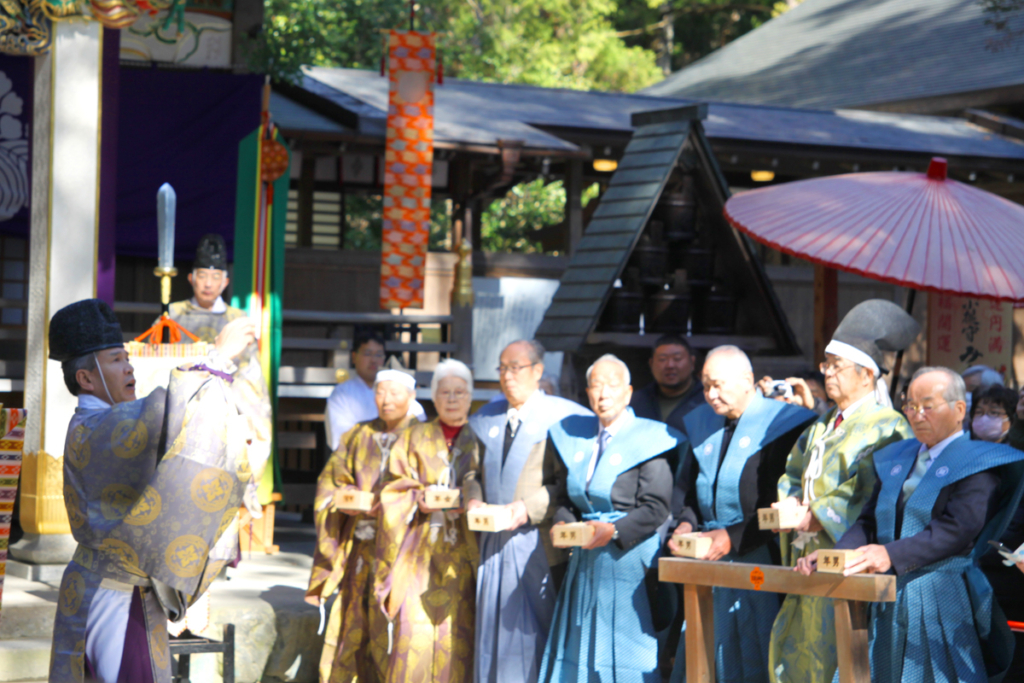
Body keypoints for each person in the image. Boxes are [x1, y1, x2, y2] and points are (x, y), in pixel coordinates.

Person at [47, 299, 264, 683]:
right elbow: (173, 410)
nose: (129, 367)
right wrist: (217, 359)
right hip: (114, 596)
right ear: (86, 378)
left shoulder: (94, 424)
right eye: (116, 360)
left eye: (127, 357)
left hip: (104, 587)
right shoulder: (105, 428)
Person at [799, 367, 1024, 683]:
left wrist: (888, 555)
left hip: (940, 591)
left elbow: (958, 528)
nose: (916, 415)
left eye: (927, 406)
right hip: (885, 590)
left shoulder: (980, 460)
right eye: (910, 406)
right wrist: (836, 555)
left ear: (959, 410)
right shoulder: (897, 455)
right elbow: (868, 519)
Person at [768, 299, 918, 683]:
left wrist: (818, 513)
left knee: (836, 649)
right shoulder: (820, 425)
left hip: (846, 551)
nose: (828, 373)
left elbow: (874, 489)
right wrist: (787, 502)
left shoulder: (888, 425)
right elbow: (793, 470)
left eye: (836, 366)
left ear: (866, 375)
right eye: (826, 365)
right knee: (798, 644)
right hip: (805, 548)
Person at [668, 346, 816, 683]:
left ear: (748, 381)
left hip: (759, 553)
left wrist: (731, 536)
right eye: (705, 386)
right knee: (702, 651)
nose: (711, 394)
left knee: (754, 649)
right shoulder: (703, 423)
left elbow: (779, 501)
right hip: (706, 557)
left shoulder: (785, 425)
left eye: (718, 384)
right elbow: (689, 491)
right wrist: (687, 524)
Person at [540, 354, 683, 682]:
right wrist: (562, 522)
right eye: (596, 386)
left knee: (626, 649)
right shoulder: (575, 437)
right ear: (587, 393)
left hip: (628, 559)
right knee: (580, 648)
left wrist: (613, 530)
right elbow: (565, 497)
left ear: (628, 393)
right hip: (585, 560)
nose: (603, 394)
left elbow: (656, 507)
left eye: (612, 386)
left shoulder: (652, 438)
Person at [465, 339, 592, 683]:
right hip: (492, 544)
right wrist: (473, 499)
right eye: (502, 368)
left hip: (539, 545)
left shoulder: (563, 418)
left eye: (516, 367)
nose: (507, 376)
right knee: (492, 630)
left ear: (537, 370)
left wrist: (528, 507)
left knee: (536, 633)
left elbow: (567, 484)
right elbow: (470, 473)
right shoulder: (485, 417)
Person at [306, 369, 420, 683]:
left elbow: (426, 487)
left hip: (404, 550)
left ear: (411, 398)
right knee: (353, 622)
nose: (387, 400)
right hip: (361, 543)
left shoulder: (423, 435)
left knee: (396, 625)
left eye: (395, 393)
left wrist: (390, 504)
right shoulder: (358, 434)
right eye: (381, 392)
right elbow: (331, 481)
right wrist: (346, 496)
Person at [375, 360, 480, 682]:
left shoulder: (482, 438)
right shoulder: (414, 435)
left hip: (465, 551)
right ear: (433, 397)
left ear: (470, 396)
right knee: (412, 630)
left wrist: (472, 499)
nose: (451, 399)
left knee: (459, 632)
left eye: (459, 392)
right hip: (419, 549)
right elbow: (391, 487)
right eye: (444, 392)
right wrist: (416, 497)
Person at [325, 332, 426, 451]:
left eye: (379, 355)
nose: (373, 360)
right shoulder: (342, 394)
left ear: (411, 396)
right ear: (354, 356)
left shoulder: (409, 400)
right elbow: (340, 441)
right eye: (367, 353)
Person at [163, 234, 246, 343]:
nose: (208, 284)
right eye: (202, 276)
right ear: (191, 279)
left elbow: (250, 358)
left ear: (225, 282)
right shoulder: (172, 313)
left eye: (215, 277)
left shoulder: (237, 319)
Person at [630, 334, 705, 439]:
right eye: (662, 359)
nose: (670, 365)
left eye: (677, 359)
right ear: (651, 364)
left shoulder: (707, 400)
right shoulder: (637, 401)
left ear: (692, 362)